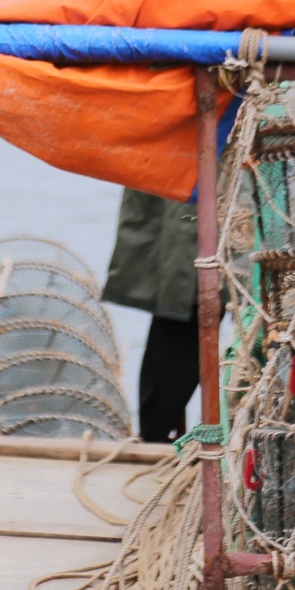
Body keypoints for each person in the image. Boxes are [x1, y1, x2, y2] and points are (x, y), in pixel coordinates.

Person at [101, 187, 201, 444]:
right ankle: (156, 435)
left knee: (182, 307)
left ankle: (156, 433)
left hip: (187, 197)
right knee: (182, 308)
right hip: (187, 195)